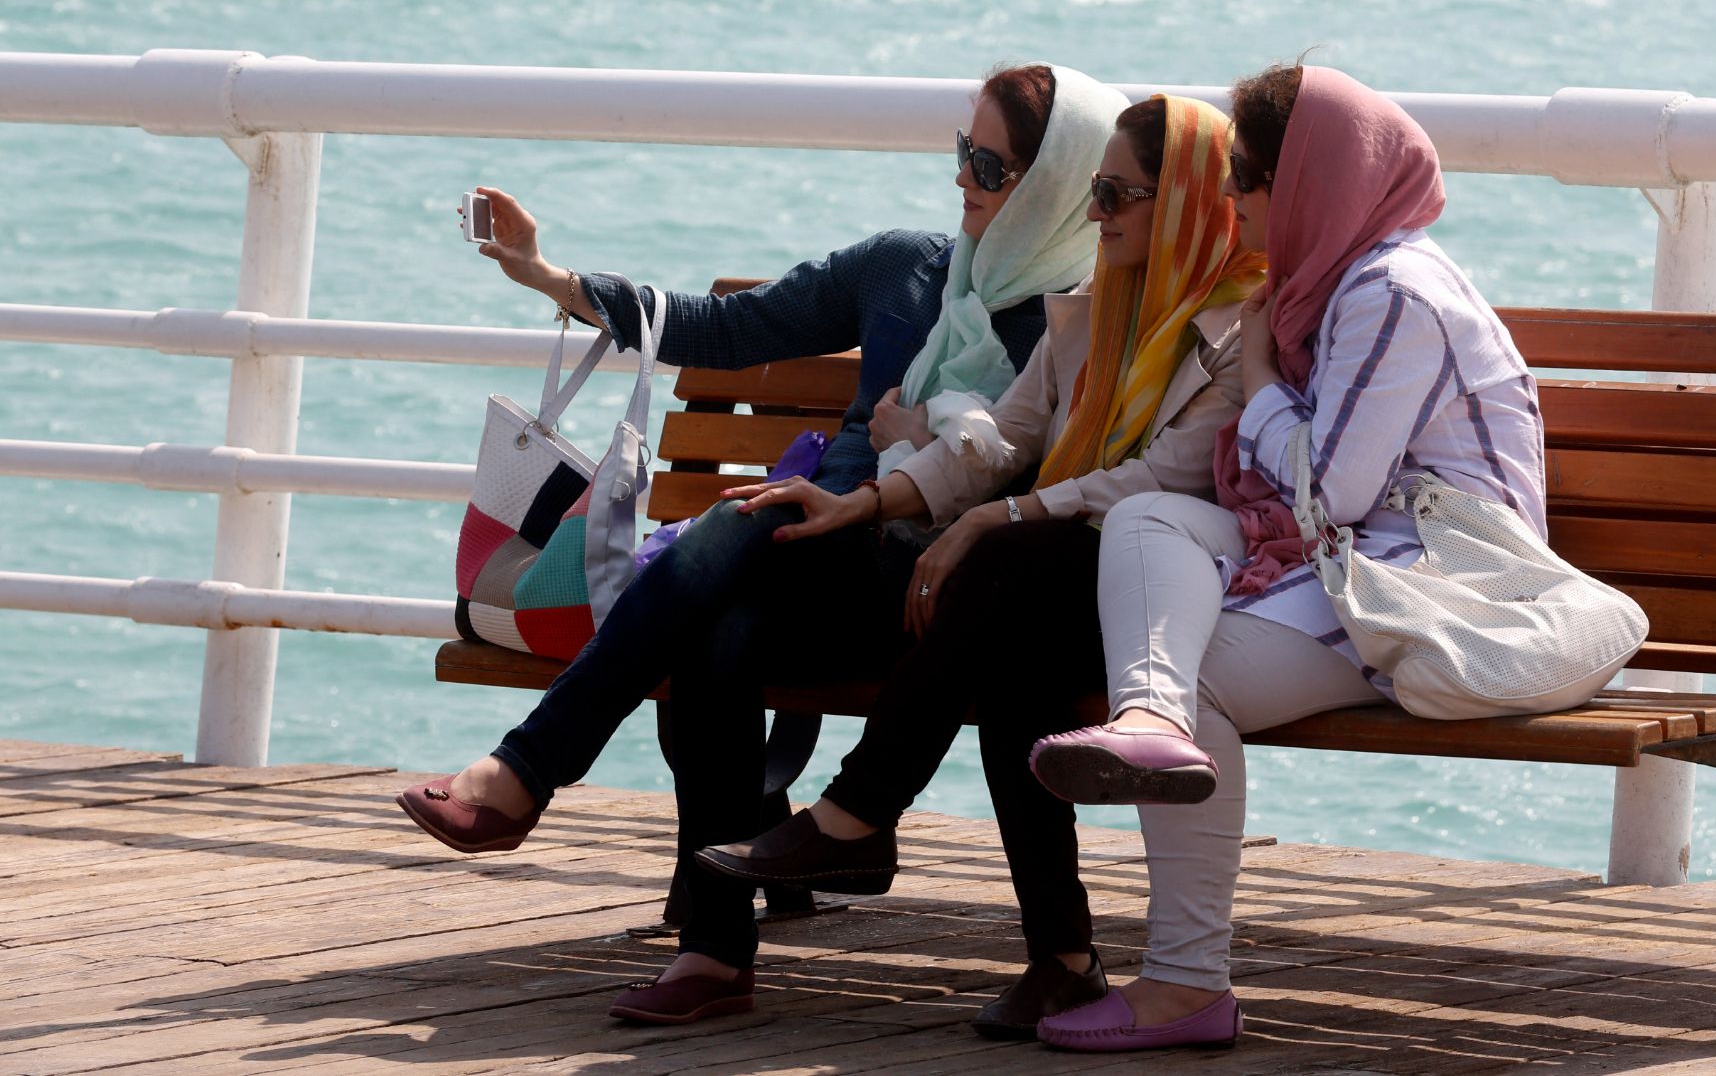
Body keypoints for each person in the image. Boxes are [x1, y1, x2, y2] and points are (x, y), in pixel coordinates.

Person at [396, 63, 1130, 1025]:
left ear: (1049, 184)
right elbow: (726, 327)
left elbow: (1049, 486)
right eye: (961, 152)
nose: (963, 179)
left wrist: (911, 450)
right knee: (721, 620)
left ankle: (530, 772)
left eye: (989, 165)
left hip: (947, 603)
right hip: (820, 569)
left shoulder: (1082, 317)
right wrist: (550, 278)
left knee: (744, 532)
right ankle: (711, 953)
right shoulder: (905, 268)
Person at [695, 93, 1265, 1038]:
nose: (1096, 213)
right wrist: (873, 498)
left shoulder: (1243, 333)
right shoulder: (1091, 313)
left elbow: (1164, 477)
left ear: (1187, 205)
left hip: (1167, 596)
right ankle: (1063, 960)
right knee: (1009, 650)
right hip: (1058, 577)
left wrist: (992, 517)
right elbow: (1006, 438)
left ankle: (860, 810)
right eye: (1093, 190)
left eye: (1120, 194)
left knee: (1002, 570)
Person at [1028, 64, 1547, 1053]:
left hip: (1433, 582)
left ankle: (1185, 981)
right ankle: (1146, 718)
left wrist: (1259, 377)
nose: (1230, 199)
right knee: (1148, 520)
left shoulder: (1390, 293)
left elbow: (1331, 492)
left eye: (1248, 178)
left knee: (1202, 682)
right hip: (1352, 555)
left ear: (1310, 184)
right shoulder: (1328, 283)